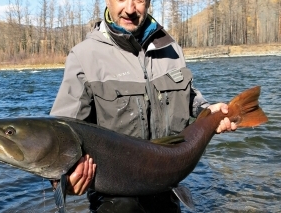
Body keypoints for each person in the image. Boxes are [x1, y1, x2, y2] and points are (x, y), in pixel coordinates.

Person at [50, 0, 237, 212]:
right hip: (115, 194)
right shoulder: (83, 56)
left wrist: (208, 112)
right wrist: (62, 181)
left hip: (167, 182)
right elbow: (60, 133)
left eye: (138, 0)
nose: (130, 9)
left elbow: (188, 96)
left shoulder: (170, 47)